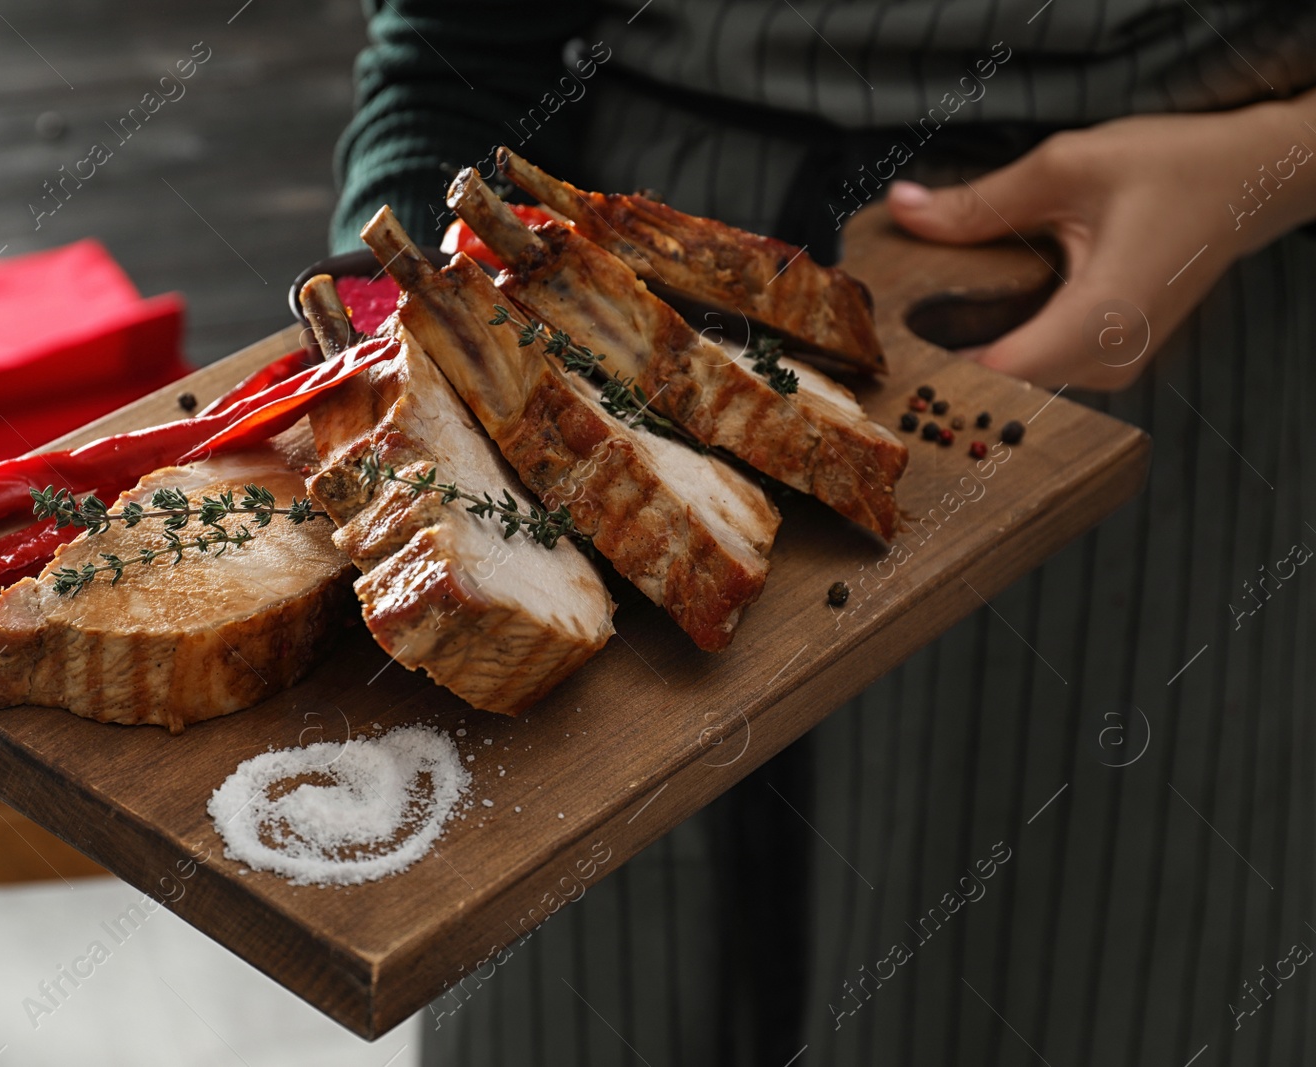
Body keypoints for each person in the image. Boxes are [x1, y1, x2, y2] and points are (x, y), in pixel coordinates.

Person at [330, 2, 1316, 1063]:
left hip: (1151, 326)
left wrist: (1272, 161)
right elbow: (454, 43)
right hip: (615, 274)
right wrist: (406, 322)